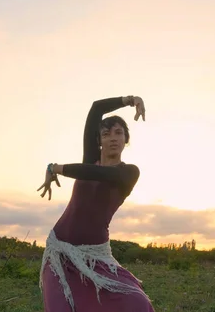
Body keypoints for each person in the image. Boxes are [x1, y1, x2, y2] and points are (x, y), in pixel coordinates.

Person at [37, 95, 155, 312]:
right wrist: (130, 99)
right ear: (99, 140)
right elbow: (96, 108)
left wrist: (54, 168)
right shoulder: (90, 158)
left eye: (119, 133)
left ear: (126, 140)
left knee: (137, 304)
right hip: (59, 251)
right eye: (106, 133)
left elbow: (96, 173)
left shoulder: (128, 173)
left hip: (96, 257)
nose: (112, 138)